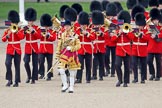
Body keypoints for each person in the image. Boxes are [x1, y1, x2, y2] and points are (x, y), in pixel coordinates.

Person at [56, 20, 81, 93]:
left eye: (68, 26)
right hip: (63, 55)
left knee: (72, 72)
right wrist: (57, 54)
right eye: (65, 26)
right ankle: (65, 85)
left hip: (72, 55)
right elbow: (59, 45)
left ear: (70, 26)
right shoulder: (62, 35)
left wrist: (72, 48)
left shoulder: (75, 35)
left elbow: (79, 46)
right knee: (61, 70)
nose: (66, 27)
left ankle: (71, 87)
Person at [2, 10, 24, 87]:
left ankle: (16, 81)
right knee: (7, 63)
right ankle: (9, 80)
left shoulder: (19, 30)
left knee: (17, 66)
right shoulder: (7, 30)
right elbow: (3, 39)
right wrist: (8, 35)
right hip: (10, 49)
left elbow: (21, 37)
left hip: (17, 49)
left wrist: (16, 31)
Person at [111, 10, 133, 87]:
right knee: (117, 65)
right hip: (119, 50)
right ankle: (120, 79)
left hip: (126, 49)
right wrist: (118, 34)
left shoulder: (128, 28)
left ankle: (126, 81)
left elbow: (132, 37)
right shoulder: (117, 29)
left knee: (127, 66)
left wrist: (126, 32)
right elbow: (113, 40)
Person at [75, 11, 95, 84]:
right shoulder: (77, 30)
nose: (83, 26)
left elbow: (93, 37)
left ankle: (88, 78)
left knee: (88, 65)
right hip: (80, 49)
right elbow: (75, 38)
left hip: (88, 49)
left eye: (84, 24)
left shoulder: (90, 30)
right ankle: (79, 78)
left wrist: (87, 34)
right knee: (79, 64)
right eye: (82, 24)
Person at [23, 8, 40, 84]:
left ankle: (33, 78)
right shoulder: (25, 28)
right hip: (27, 47)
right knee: (26, 62)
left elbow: (39, 36)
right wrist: (24, 32)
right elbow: (21, 37)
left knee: (35, 63)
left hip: (34, 47)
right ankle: (29, 76)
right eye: (29, 21)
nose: (30, 22)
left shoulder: (37, 28)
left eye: (31, 21)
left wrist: (33, 31)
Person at [131, 13, 149, 83]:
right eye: (138, 25)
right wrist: (134, 34)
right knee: (134, 64)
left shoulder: (146, 30)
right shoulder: (134, 30)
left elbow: (148, 39)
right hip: (135, 49)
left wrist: (142, 36)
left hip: (143, 49)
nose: (140, 27)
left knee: (143, 64)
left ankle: (143, 78)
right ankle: (135, 78)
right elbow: (131, 38)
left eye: (141, 25)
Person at [38, 14, 57, 81]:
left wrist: (48, 35)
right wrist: (41, 34)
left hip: (49, 49)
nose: (46, 27)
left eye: (47, 26)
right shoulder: (40, 30)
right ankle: (41, 73)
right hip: (42, 49)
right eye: (45, 26)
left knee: (49, 63)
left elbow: (54, 38)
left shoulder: (52, 31)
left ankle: (49, 75)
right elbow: (38, 37)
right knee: (41, 61)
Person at [91, 10, 107, 81]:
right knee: (94, 62)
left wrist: (101, 33)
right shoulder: (92, 29)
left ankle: (101, 75)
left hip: (101, 47)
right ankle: (94, 75)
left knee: (101, 62)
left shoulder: (103, 29)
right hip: (95, 47)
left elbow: (107, 36)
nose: (97, 25)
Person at [147, 8, 162, 81]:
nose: (156, 21)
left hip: (158, 47)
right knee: (149, 61)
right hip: (151, 47)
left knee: (158, 62)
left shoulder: (160, 27)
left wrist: (156, 36)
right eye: (154, 20)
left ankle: (158, 76)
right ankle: (152, 73)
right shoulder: (149, 26)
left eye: (157, 20)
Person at [104, 2, 118, 77]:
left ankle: (113, 71)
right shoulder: (105, 21)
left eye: (112, 15)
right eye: (109, 15)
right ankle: (107, 69)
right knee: (106, 56)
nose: (110, 17)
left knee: (114, 58)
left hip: (114, 42)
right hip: (107, 42)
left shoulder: (117, 21)